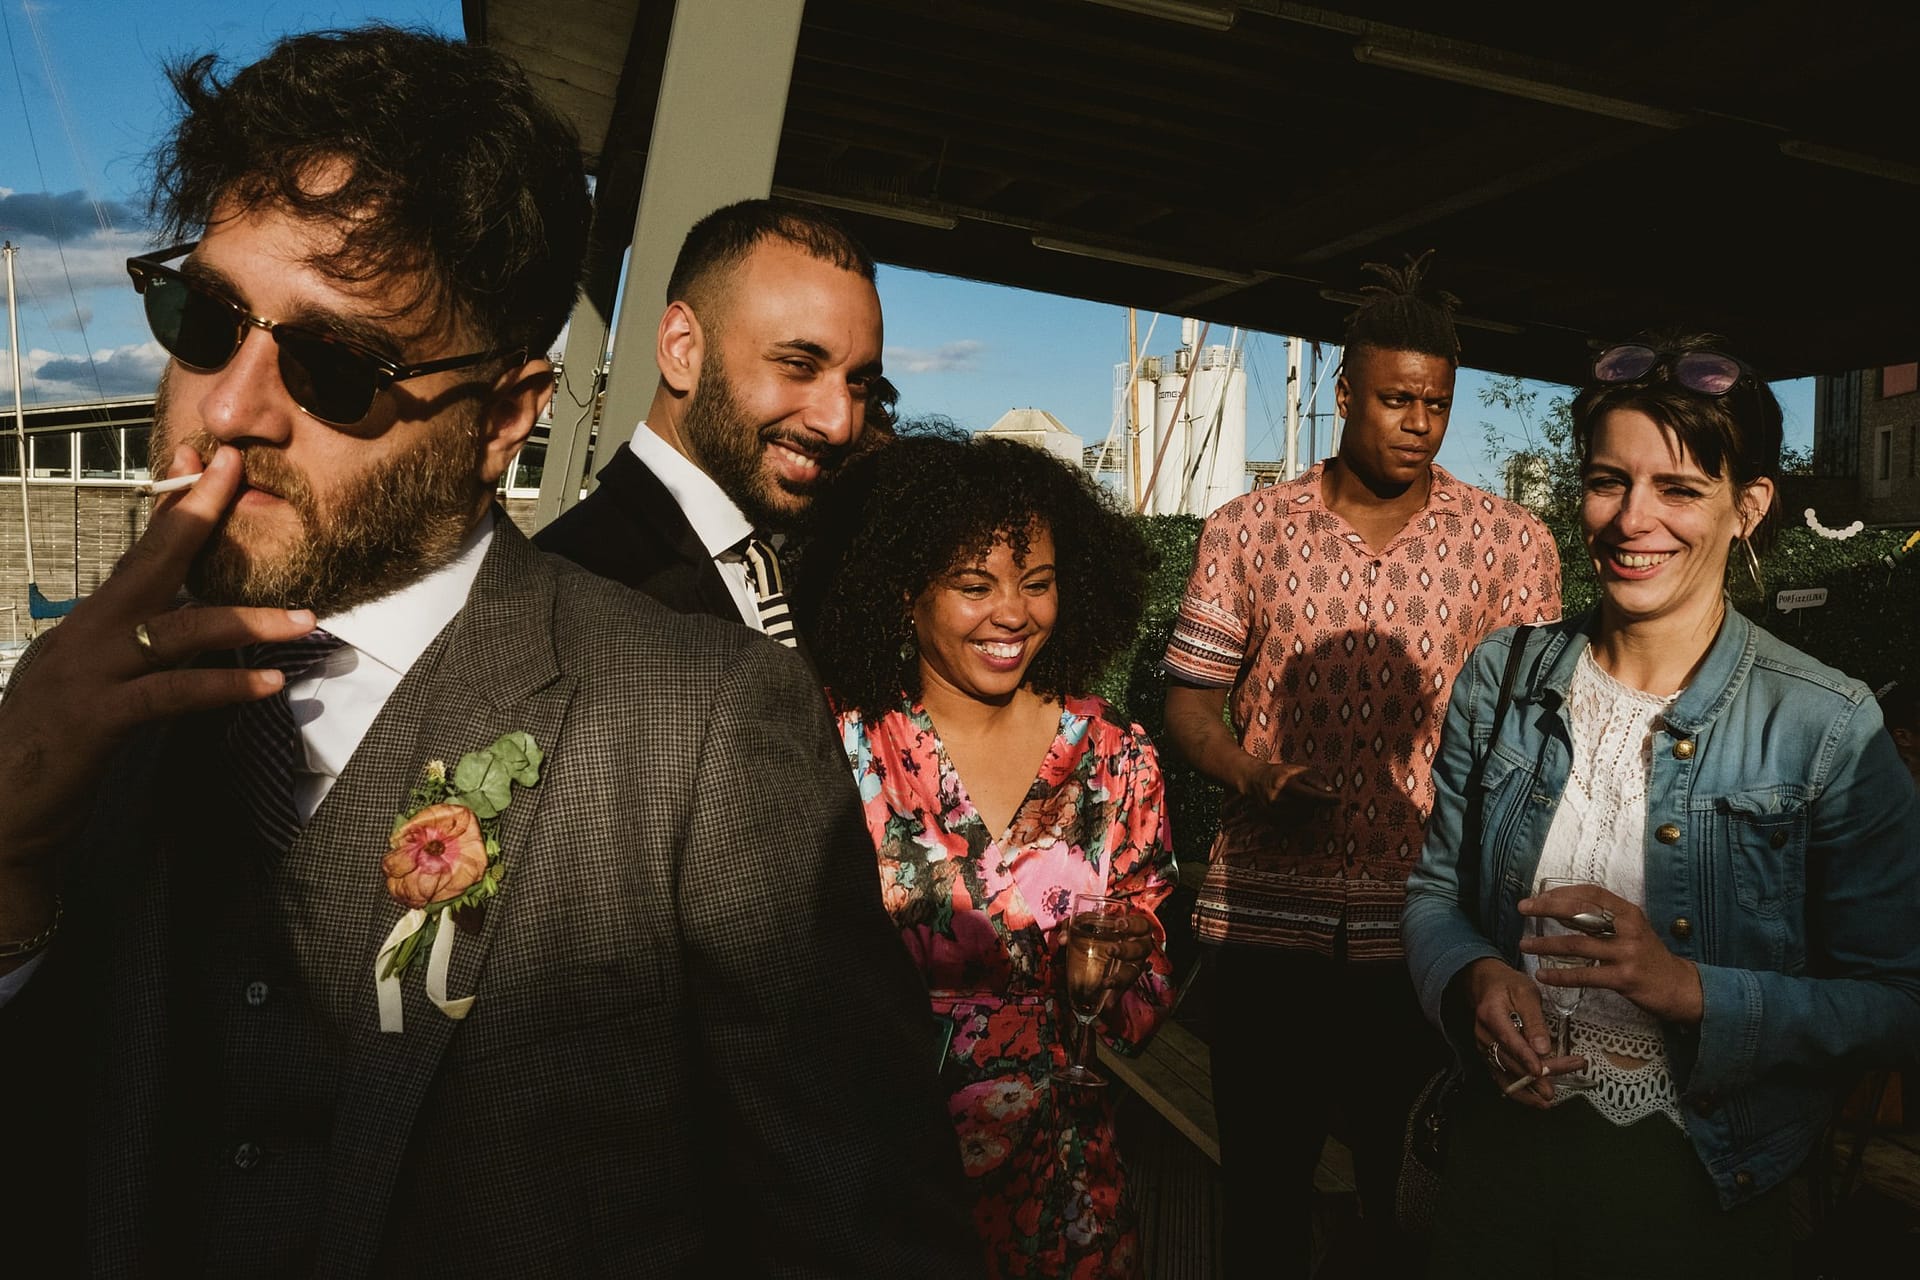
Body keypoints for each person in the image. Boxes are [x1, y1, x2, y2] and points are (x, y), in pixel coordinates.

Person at [0, 27, 978, 1276]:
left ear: (507, 416)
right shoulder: (74, 708)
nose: (232, 407)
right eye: (204, 316)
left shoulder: (706, 728)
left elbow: (860, 1227)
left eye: (336, 366)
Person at [1401, 333, 1920, 1278]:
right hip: (1495, 1173)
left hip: (1703, 1189)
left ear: (1748, 508)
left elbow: (1898, 1001)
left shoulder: (1827, 727)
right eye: (1608, 481)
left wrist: (1691, 991)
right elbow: (1434, 896)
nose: (1632, 519)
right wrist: (1475, 978)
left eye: (1679, 489)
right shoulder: (1503, 677)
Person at [1159, 254, 1563, 1276]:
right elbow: (1190, 700)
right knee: (1262, 1192)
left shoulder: (1509, 542)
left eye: (1436, 402)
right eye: (1395, 398)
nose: (1418, 421)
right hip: (1268, 927)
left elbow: (1535, 737)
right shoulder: (1247, 531)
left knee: (1409, 1204)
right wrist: (1250, 775)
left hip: (1426, 937)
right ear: (1345, 394)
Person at [804, 434, 1177, 1278]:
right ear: (906, 593)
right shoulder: (843, 745)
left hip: (1065, 1194)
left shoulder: (1118, 758)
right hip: (881, 1184)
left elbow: (1148, 970)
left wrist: (1126, 962)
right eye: (974, 586)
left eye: (1037, 584)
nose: (1013, 613)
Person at [533, 198, 887, 642]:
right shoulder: (568, 600)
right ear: (682, 348)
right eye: (799, 364)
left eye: (859, 384)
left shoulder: (776, 569)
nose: (839, 424)